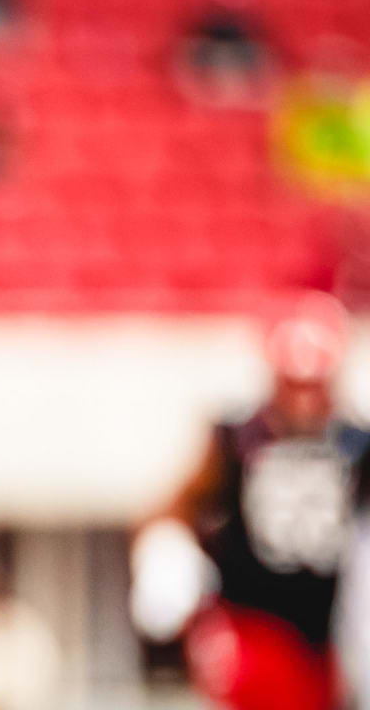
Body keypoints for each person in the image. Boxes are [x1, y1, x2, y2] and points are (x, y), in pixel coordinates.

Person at [130, 292, 369, 710]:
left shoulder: (357, 446)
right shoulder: (235, 441)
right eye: (294, 385)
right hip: (252, 628)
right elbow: (179, 505)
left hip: (328, 635)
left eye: (314, 386)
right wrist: (165, 549)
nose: (304, 402)